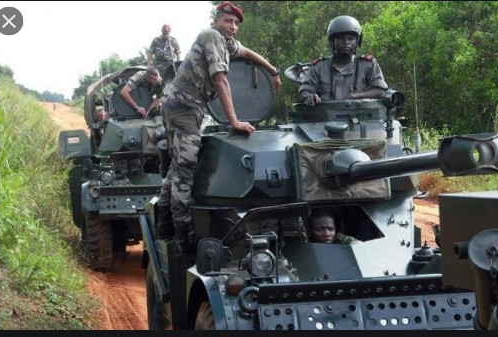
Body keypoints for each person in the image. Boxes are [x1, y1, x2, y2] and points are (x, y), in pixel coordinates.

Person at [156, 1, 282, 254]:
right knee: (186, 171)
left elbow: (246, 53)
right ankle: (183, 236)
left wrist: (272, 70)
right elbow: (221, 80)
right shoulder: (211, 36)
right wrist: (234, 121)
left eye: (235, 23)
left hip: (185, 107)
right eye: (228, 21)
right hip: (183, 108)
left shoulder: (227, 43)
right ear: (217, 21)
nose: (232, 27)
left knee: (178, 165)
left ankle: (163, 221)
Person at [298, 15, 388, 107]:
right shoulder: (319, 66)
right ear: (333, 41)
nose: (346, 42)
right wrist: (311, 96)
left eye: (350, 38)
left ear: (357, 42)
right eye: (341, 38)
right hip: (327, 117)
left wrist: (356, 96)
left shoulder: (368, 64)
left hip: (361, 116)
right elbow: (303, 92)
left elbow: (380, 90)